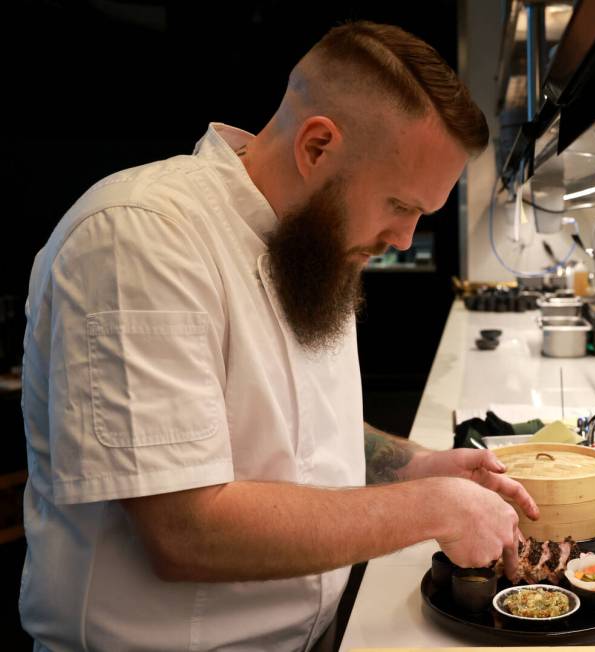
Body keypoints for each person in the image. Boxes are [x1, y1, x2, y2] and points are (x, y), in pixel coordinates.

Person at [19, 20, 539, 652]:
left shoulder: (315, 240)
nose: (404, 239)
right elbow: (186, 531)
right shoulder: (141, 238)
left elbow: (304, 435)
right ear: (318, 146)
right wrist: (435, 507)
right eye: (400, 205)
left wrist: (416, 466)